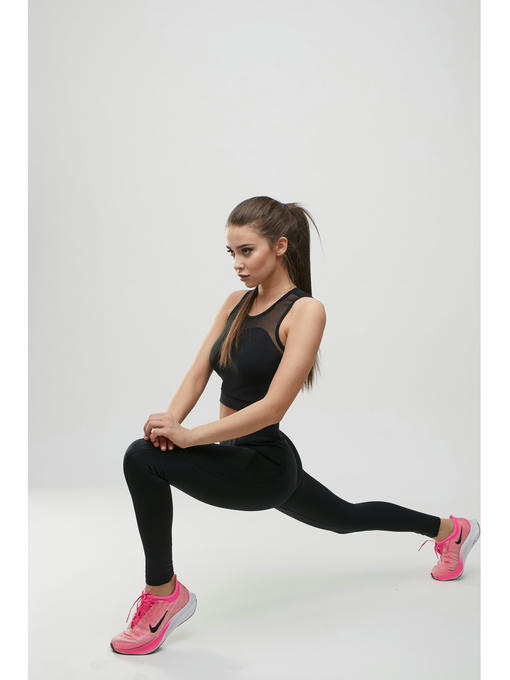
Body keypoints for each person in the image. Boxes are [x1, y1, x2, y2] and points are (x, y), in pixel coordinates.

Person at [110, 196, 481, 655]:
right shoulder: (234, 303)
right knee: (345, 518)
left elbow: (272, 407)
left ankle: (164, 595)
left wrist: (189, 437)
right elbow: (198, 373)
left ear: (280, 246)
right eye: (231, 252)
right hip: (233, 457)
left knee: (140, 459)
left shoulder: (306, 311)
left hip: (264, 466)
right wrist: (172, 423)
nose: (237, 264)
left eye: (247, 251)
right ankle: (451, 530)